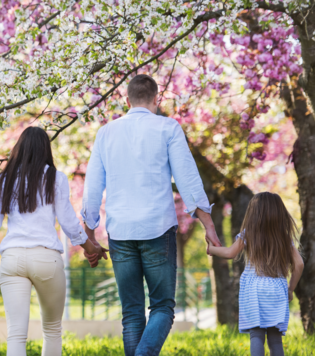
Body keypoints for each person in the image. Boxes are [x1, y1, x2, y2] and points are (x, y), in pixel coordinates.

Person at [81, 74, 222, 356]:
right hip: (158, 229)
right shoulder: (168, 128)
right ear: (157, 99)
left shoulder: (106, 133)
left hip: (120, 232)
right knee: (162, 307)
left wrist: (89, 237)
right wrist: (208, 225)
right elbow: (188, 180)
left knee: (131, 312)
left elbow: (92, 188)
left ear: (127, 100)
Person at [0, 126, 106, 356]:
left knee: (16, 334)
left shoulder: (4, 179)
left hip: (12, 259)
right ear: (45, 150)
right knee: (52, 329)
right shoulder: (55, 177)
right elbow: (68, 223)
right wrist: (91, 248)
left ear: (19, 149)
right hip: (46, 258)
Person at [207, 192, 304, 356]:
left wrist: (211, 248)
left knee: (256, 335)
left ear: (254, 214)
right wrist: (290, 289)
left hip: (254, 290)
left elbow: (230, 253)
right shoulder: (285, 238)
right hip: (277, 290)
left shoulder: (248, 234)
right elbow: (299, 264)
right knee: (275, 338)